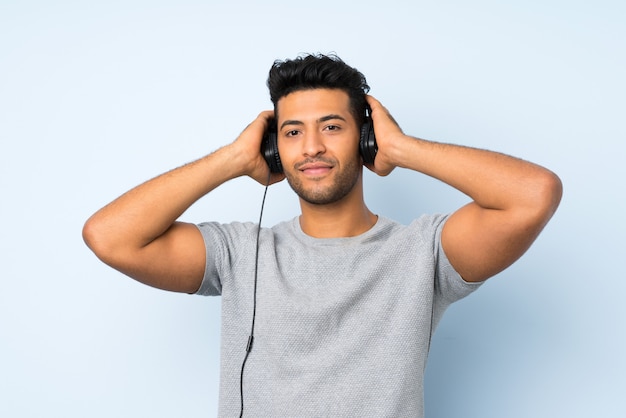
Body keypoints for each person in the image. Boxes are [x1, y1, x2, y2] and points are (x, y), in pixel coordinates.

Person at [83, 53, 562, 417]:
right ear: (273, 150)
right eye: (292, 133)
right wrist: (232, 160)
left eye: (332, 127)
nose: (311, 147)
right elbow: (109, 236)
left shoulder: (424, 252)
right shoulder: (239, 253)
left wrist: (402, 148)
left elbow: (534, 194)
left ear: (365, 138)